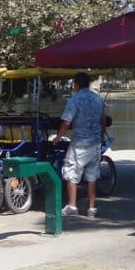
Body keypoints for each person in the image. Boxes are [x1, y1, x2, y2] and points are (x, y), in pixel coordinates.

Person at [52, 71, 106, 218]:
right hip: (95, 143)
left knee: (71, 173)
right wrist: (101, 136)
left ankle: (72, 205)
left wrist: (58, 137)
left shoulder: (74, 100)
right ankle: (91, 209)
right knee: (92, 176)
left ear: (75, 84)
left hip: (79, 144)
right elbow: (103, 120)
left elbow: (67, 122)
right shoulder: (98, 99)